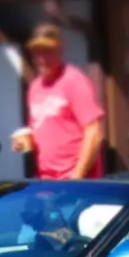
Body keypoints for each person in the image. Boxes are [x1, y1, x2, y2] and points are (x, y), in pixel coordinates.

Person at [16, 23, 106, 180]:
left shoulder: (74, 81)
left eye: (47, 51)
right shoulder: (35, 87)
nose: (41, 58)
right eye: (37, 52)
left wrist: (77, 176)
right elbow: (42, 129)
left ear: (60, 49)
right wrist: (25, 141)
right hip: (46, 180)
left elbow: (94, 133)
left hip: (75, 180)